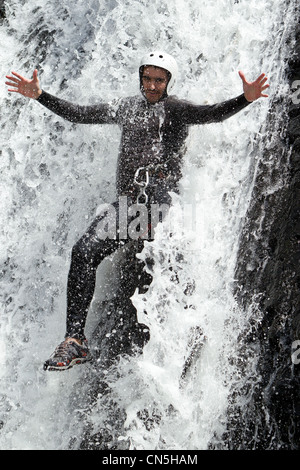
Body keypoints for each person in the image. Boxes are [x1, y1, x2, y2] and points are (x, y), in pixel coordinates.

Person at [5, 51, 269, 371]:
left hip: (158, 204)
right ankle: (74, 340)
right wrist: (40, 95)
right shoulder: (126, 108)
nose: (152, 85)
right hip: (129, 206)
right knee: (84, 250)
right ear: (140, 77)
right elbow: (80, 114)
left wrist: (246, 98)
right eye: (148, 78)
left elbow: (212, 114)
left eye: (159, 79)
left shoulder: (176, 110)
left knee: (147, 251)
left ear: (169, 81)